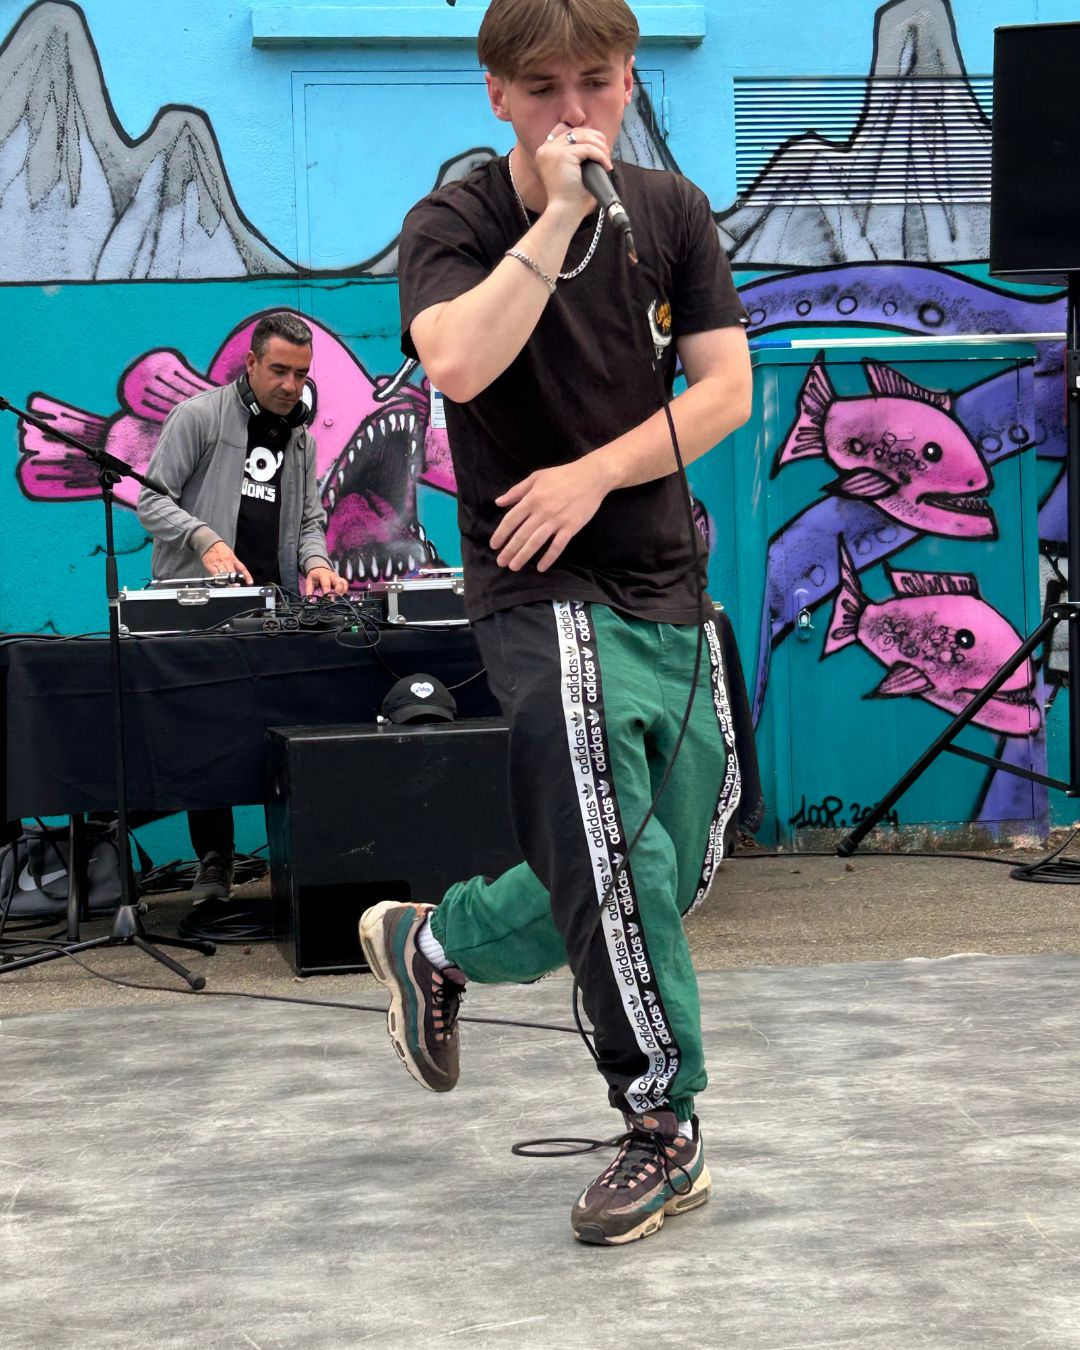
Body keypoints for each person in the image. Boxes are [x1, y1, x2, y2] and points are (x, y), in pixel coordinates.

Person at [358, 0, 753, 1246]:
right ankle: (661, 1122)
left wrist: (597, 473)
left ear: (630, 81)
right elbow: (458, 364)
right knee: (617, 857)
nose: (572, 111)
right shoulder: (457, 221)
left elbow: (727, 389)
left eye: (595, 82)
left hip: (661, 575)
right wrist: (559, 218)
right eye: (542, 90)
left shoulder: (674, 212)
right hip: (538, 584)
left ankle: (441, 944)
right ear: (497, 94)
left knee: (676, 861)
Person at [137, 312, 347, 901]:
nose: (290, 385)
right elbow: (151, 502)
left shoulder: (301, 439)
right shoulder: (198, 417)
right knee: (206, 734)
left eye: (301, 374)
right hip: (199, 607)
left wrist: (316, 563)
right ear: (250, 363)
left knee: (281, 726)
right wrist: (203, 539)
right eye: (278, 370)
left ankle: (299, 857)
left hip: (272, 607)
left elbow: (309, 521)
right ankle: (215, 859)